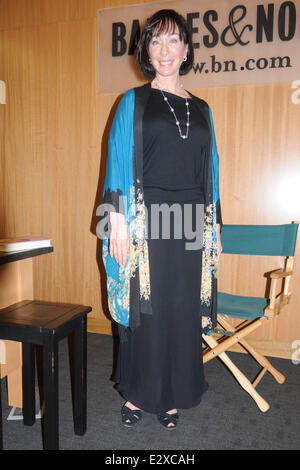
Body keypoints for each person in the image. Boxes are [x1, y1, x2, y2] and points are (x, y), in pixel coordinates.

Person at [97, 9, 223, 429]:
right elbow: (116, 160)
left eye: (173, 41)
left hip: (189, 223)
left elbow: (212, 171)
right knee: (145, 310)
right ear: (146, 51)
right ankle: (138, 394)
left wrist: (215, 227)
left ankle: (171, 395)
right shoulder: (132, 102)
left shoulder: (202, 109)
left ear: (186, 49)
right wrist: (115, 220)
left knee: (180, 310)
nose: (165, 50)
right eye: (156, 41)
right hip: (146, 220)